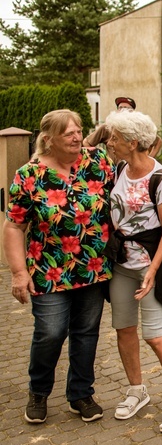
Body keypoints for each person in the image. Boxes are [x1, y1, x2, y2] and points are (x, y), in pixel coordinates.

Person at [3, 109, 114, 424]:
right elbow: (13, 227)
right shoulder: (30, 174)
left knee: (86, 332)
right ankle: (38, 390)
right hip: (48, 272)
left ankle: (80, 394)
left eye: (79, 130)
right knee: (50, 333)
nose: (77, 136)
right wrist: (18, 273)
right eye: (68, 132)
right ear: (48, 139)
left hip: (93, 269)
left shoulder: (97, 165)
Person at [104, 110, 162, 434]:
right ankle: (136, 390)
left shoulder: (160, 179)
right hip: (121, 265)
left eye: (115, 137)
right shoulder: (119, 168)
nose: (110, 142)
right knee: (124, 328)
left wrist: (153, 271)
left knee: (156, 335)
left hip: (148, 265)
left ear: (132, 142)